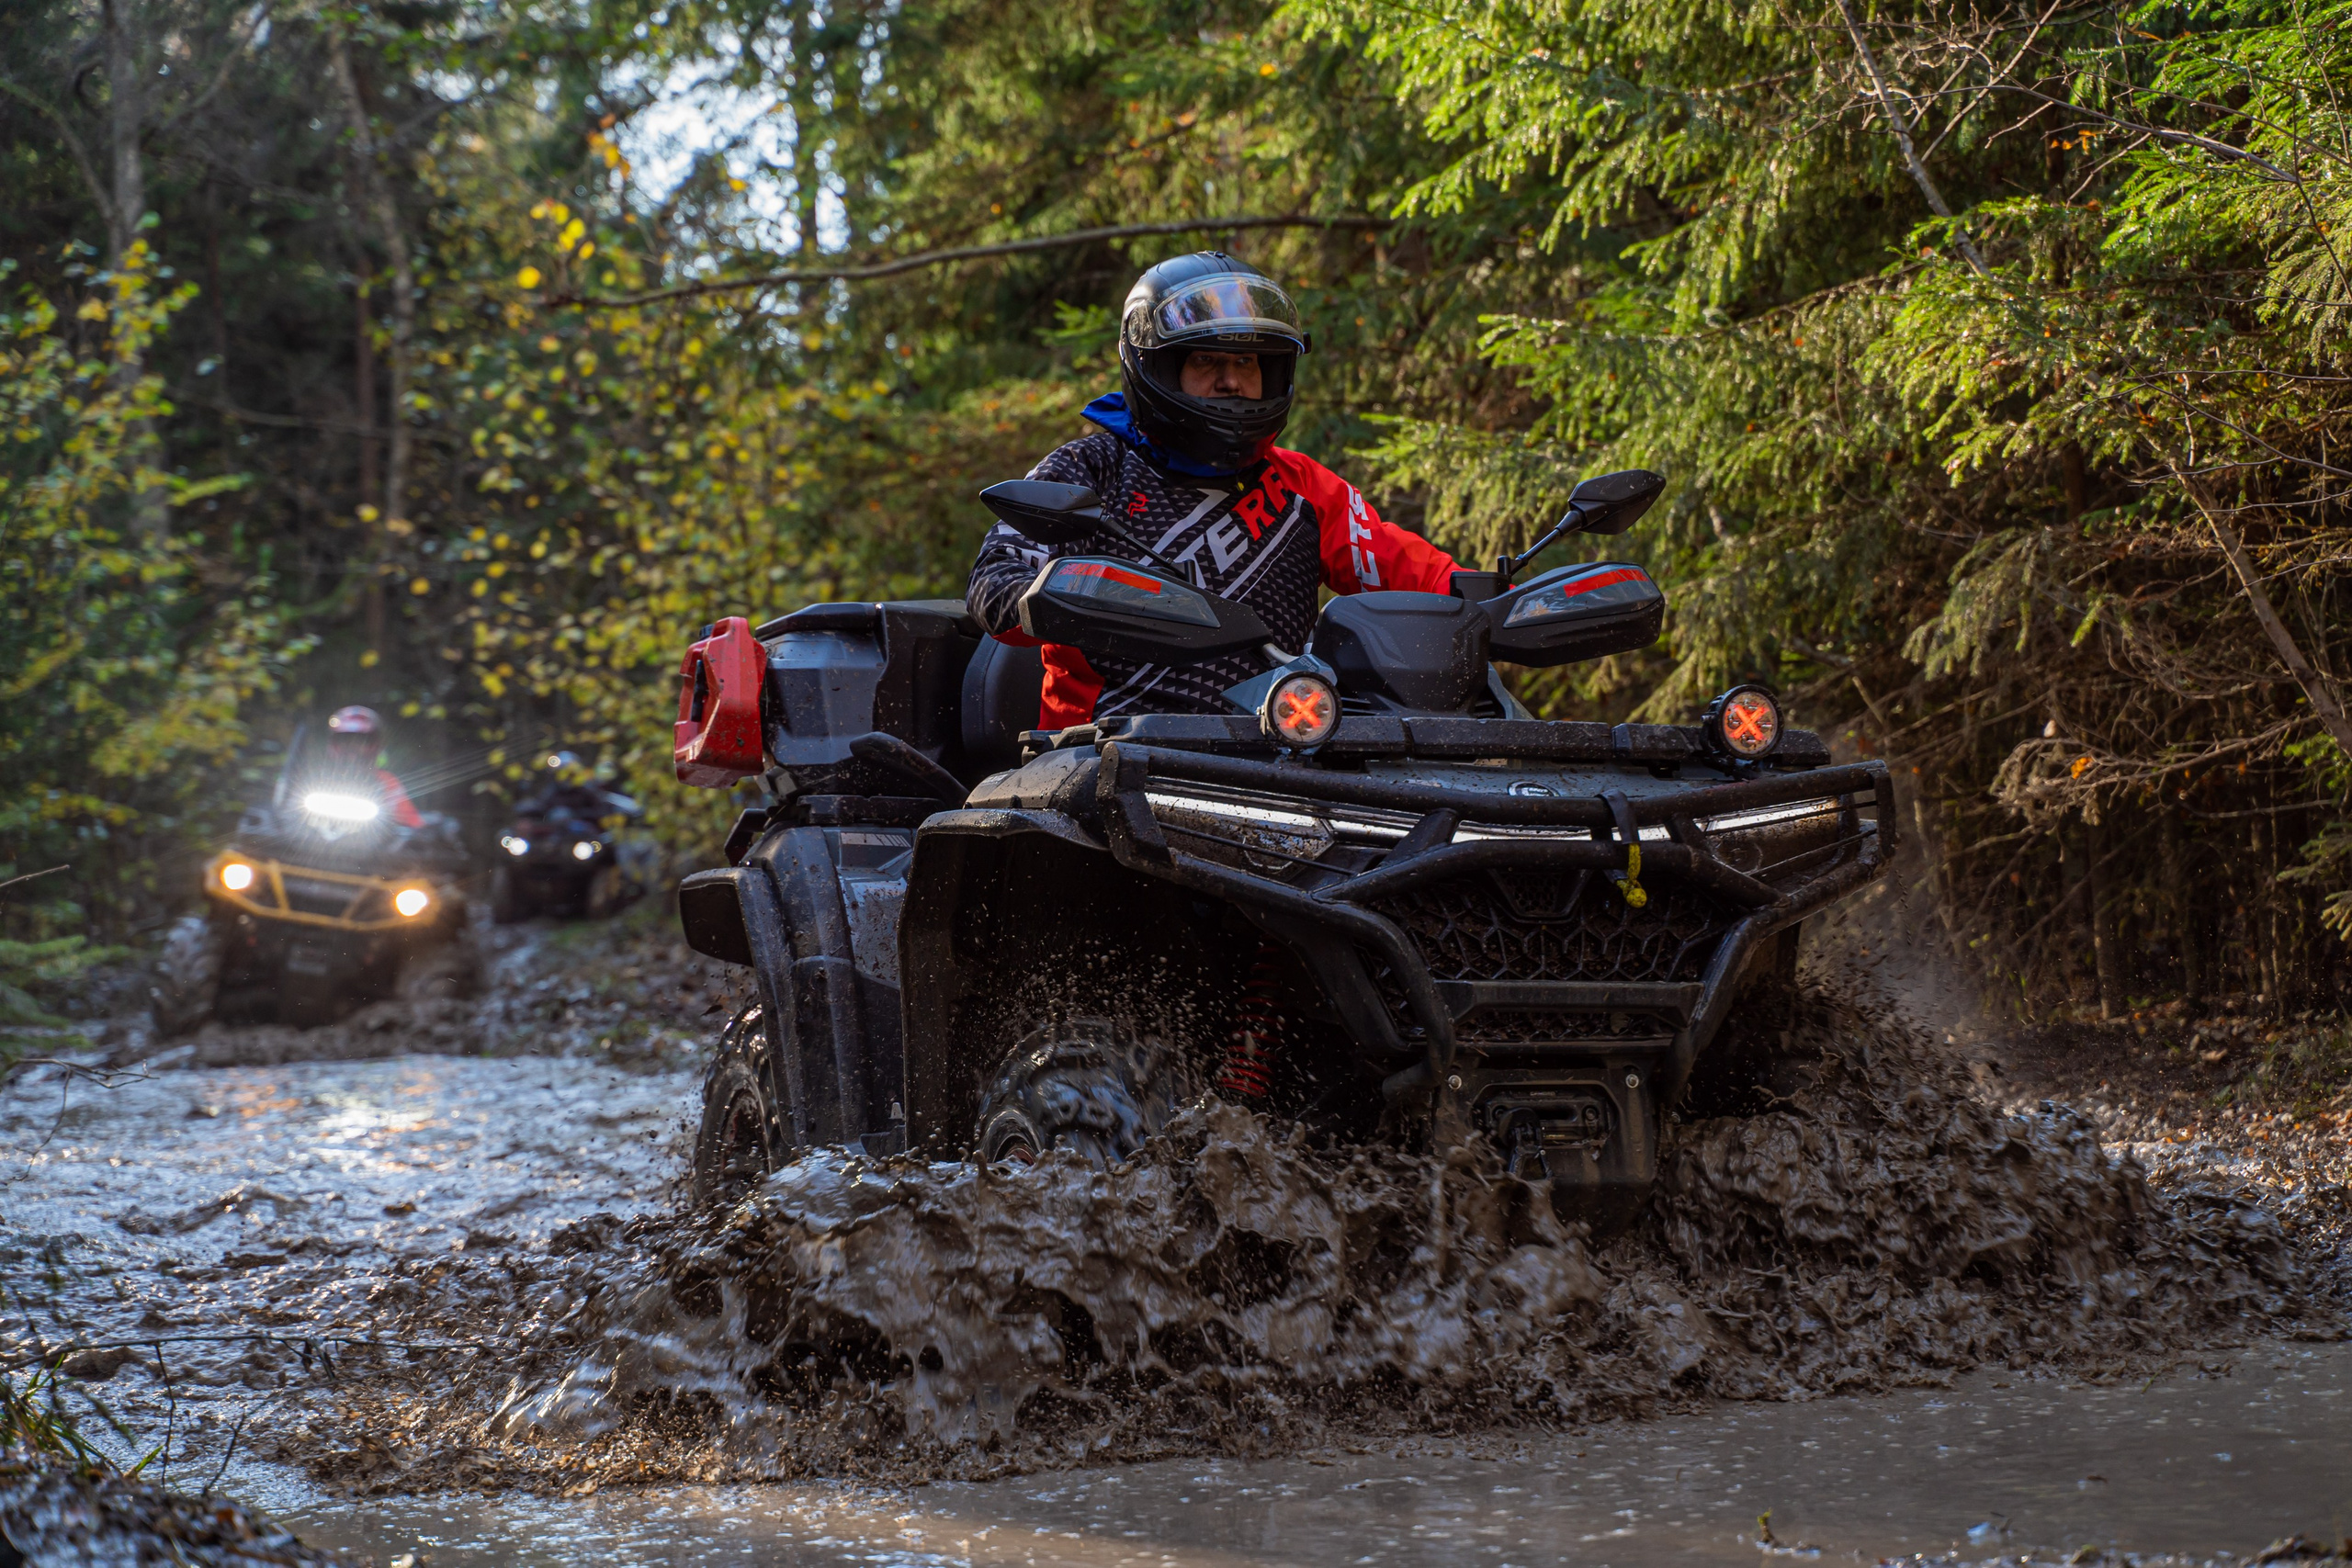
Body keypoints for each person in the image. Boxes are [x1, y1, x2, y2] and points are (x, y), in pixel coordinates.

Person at [966, 252, 1462, 728]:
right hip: (1100, 750)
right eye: (1206, 360)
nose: (1231, 382)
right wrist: (1078, 595)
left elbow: (1417, 574)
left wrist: (1487, 601)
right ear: (1157, 367)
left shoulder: (1301, 484)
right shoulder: (1091, 468)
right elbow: (994, 582)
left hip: (1279, 748)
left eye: (1246, 362)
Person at [317, 705, 425, 828]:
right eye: (346, 740)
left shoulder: (387, 783)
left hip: (376, 840)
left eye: (361, 741)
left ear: (374, 745)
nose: (353, 747)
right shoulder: (319, 780)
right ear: (334, 745)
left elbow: (414, 825)